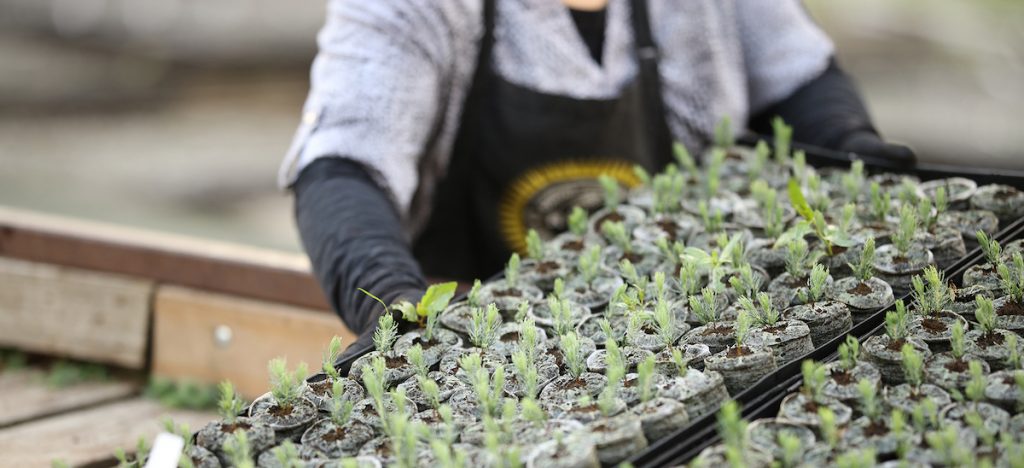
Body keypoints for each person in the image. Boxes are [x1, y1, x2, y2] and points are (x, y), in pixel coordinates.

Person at [279, 0, 915, 357]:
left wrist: (846, 143)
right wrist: (394, 305)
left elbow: (799, 77)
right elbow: (342, 166)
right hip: (482, 355)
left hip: (697, 333)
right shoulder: (416, 8)